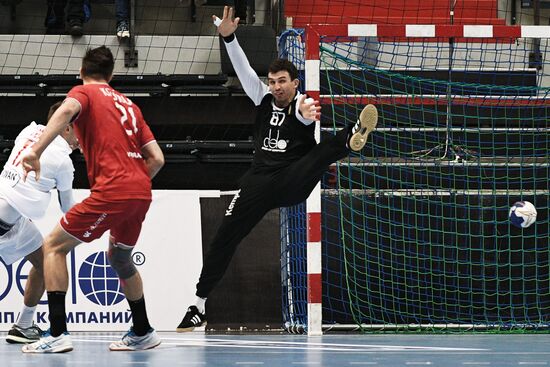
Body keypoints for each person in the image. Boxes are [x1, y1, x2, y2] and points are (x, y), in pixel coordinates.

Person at [175, 6, 378, 332]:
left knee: (323, 151)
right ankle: (198, 305)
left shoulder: (300, 104)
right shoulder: (262, 98)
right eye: (272, 82)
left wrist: (307, 107)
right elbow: (242, 69)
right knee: (224, 238)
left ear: (295, 83)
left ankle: (352, 135)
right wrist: (228, 37)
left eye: (282, 82)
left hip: (292, 179)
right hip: (257, 182)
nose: (276, 87)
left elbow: (303, 108)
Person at [20, 45, 165, 353]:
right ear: (111, 75)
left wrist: (36, 150)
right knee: (120, 259)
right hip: (141, 191)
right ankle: (142, 331)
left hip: (113, 190)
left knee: (53, 247)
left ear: (82, 72)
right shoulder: (130, 105)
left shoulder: (83, 93)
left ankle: (57, 332)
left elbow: (66, 110)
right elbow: (157, 159)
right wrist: (134, 185)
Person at [1, 102, 79, 344]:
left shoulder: (28, 131)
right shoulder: (63, 162)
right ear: (66, 128)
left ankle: (23, 326)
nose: (82, 138)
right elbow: (68, 208)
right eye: (81, 131)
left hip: (14, 222)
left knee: (46, 262)